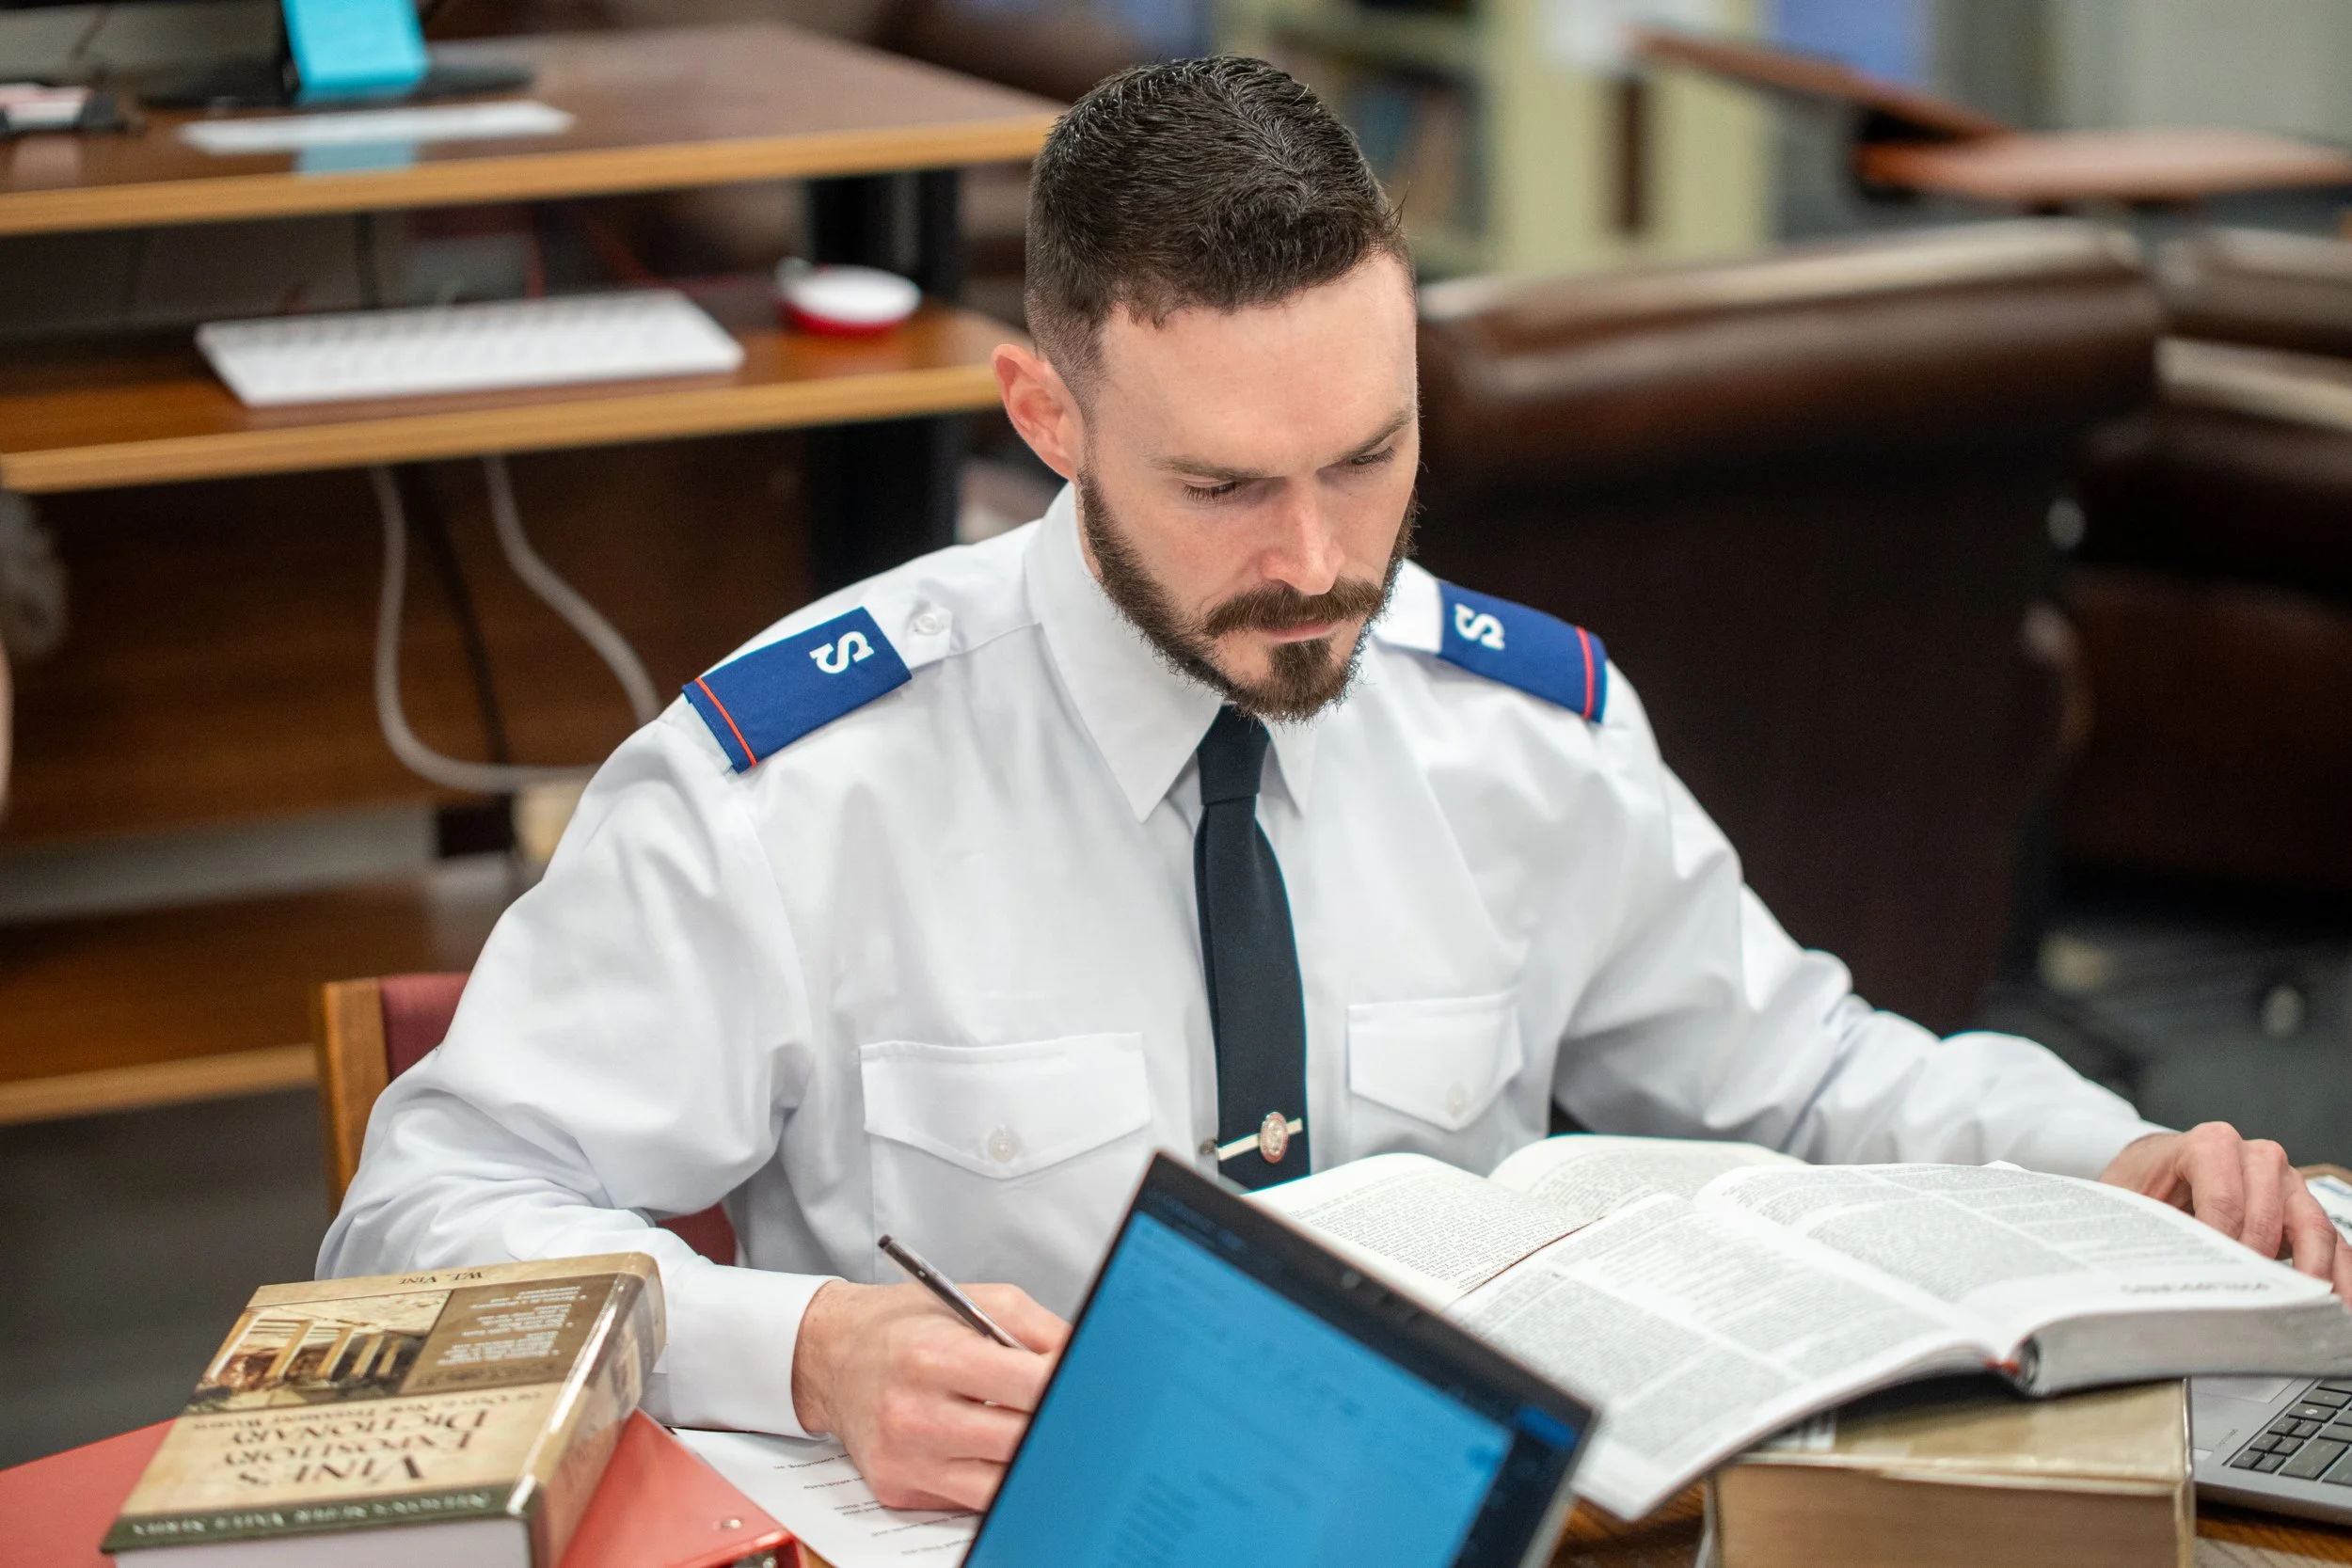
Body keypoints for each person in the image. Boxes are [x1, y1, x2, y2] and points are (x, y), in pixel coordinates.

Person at [322, 57, 2348, 1511]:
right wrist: (806, 1349)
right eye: (1218, 483)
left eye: (1364, 455)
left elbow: (1808, 1078)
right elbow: (416, 1217)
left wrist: (2106, 1161)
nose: (1314, 561)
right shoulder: (800, 775)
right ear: (1045, 410)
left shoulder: (1516, 725)